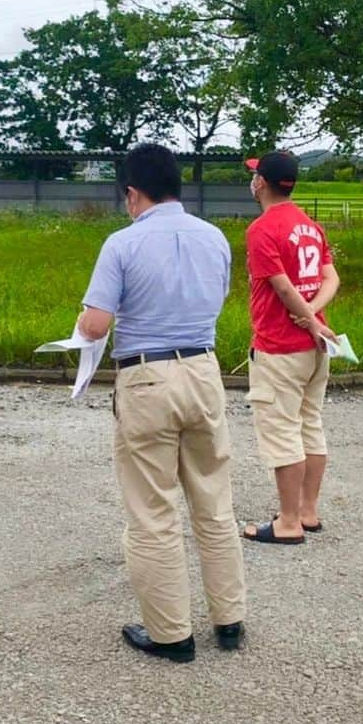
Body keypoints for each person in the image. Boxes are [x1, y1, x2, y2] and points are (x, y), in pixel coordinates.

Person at [76, 143, 246, 664]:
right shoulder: (215, 238)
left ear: (132, 193)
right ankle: (229, 621)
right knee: (214, 501)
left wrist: (84, 323)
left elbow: (95, 324)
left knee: (153, 509)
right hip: (203, 368)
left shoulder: (122, 244)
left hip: (147, 376)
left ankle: (172, 634)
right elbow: (215, 300)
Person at [242, 151, 339, 546]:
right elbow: (332, 277)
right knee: (310, 424)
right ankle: (307, 511)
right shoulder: (310, 226)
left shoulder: (263, 229)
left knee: (282, 430)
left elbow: (281, 287)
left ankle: (287, 522)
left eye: (254, 176)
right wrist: (317, 317)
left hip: (280, 346)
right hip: (317, 347)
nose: (252, 181)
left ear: (262, 183)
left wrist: (307, 318)